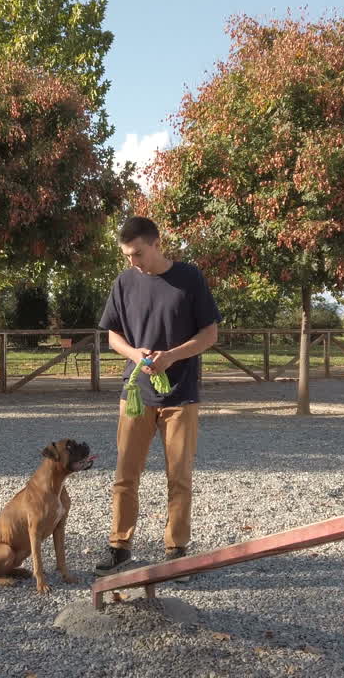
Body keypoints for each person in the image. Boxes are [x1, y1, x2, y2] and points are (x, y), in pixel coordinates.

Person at [94, 216, 221, 576]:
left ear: (156, 243)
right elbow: (112, 335)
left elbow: (209, 334)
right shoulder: (124, 282)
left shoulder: (190, 278)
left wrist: (171, 357)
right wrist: (136, 354)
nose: (132, 261)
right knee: (125, 475)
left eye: (136, 254)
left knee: (178, 476)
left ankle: (176, 548)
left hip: (181, 396)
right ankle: (119, 547)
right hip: (135, 394)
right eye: (127, 255)